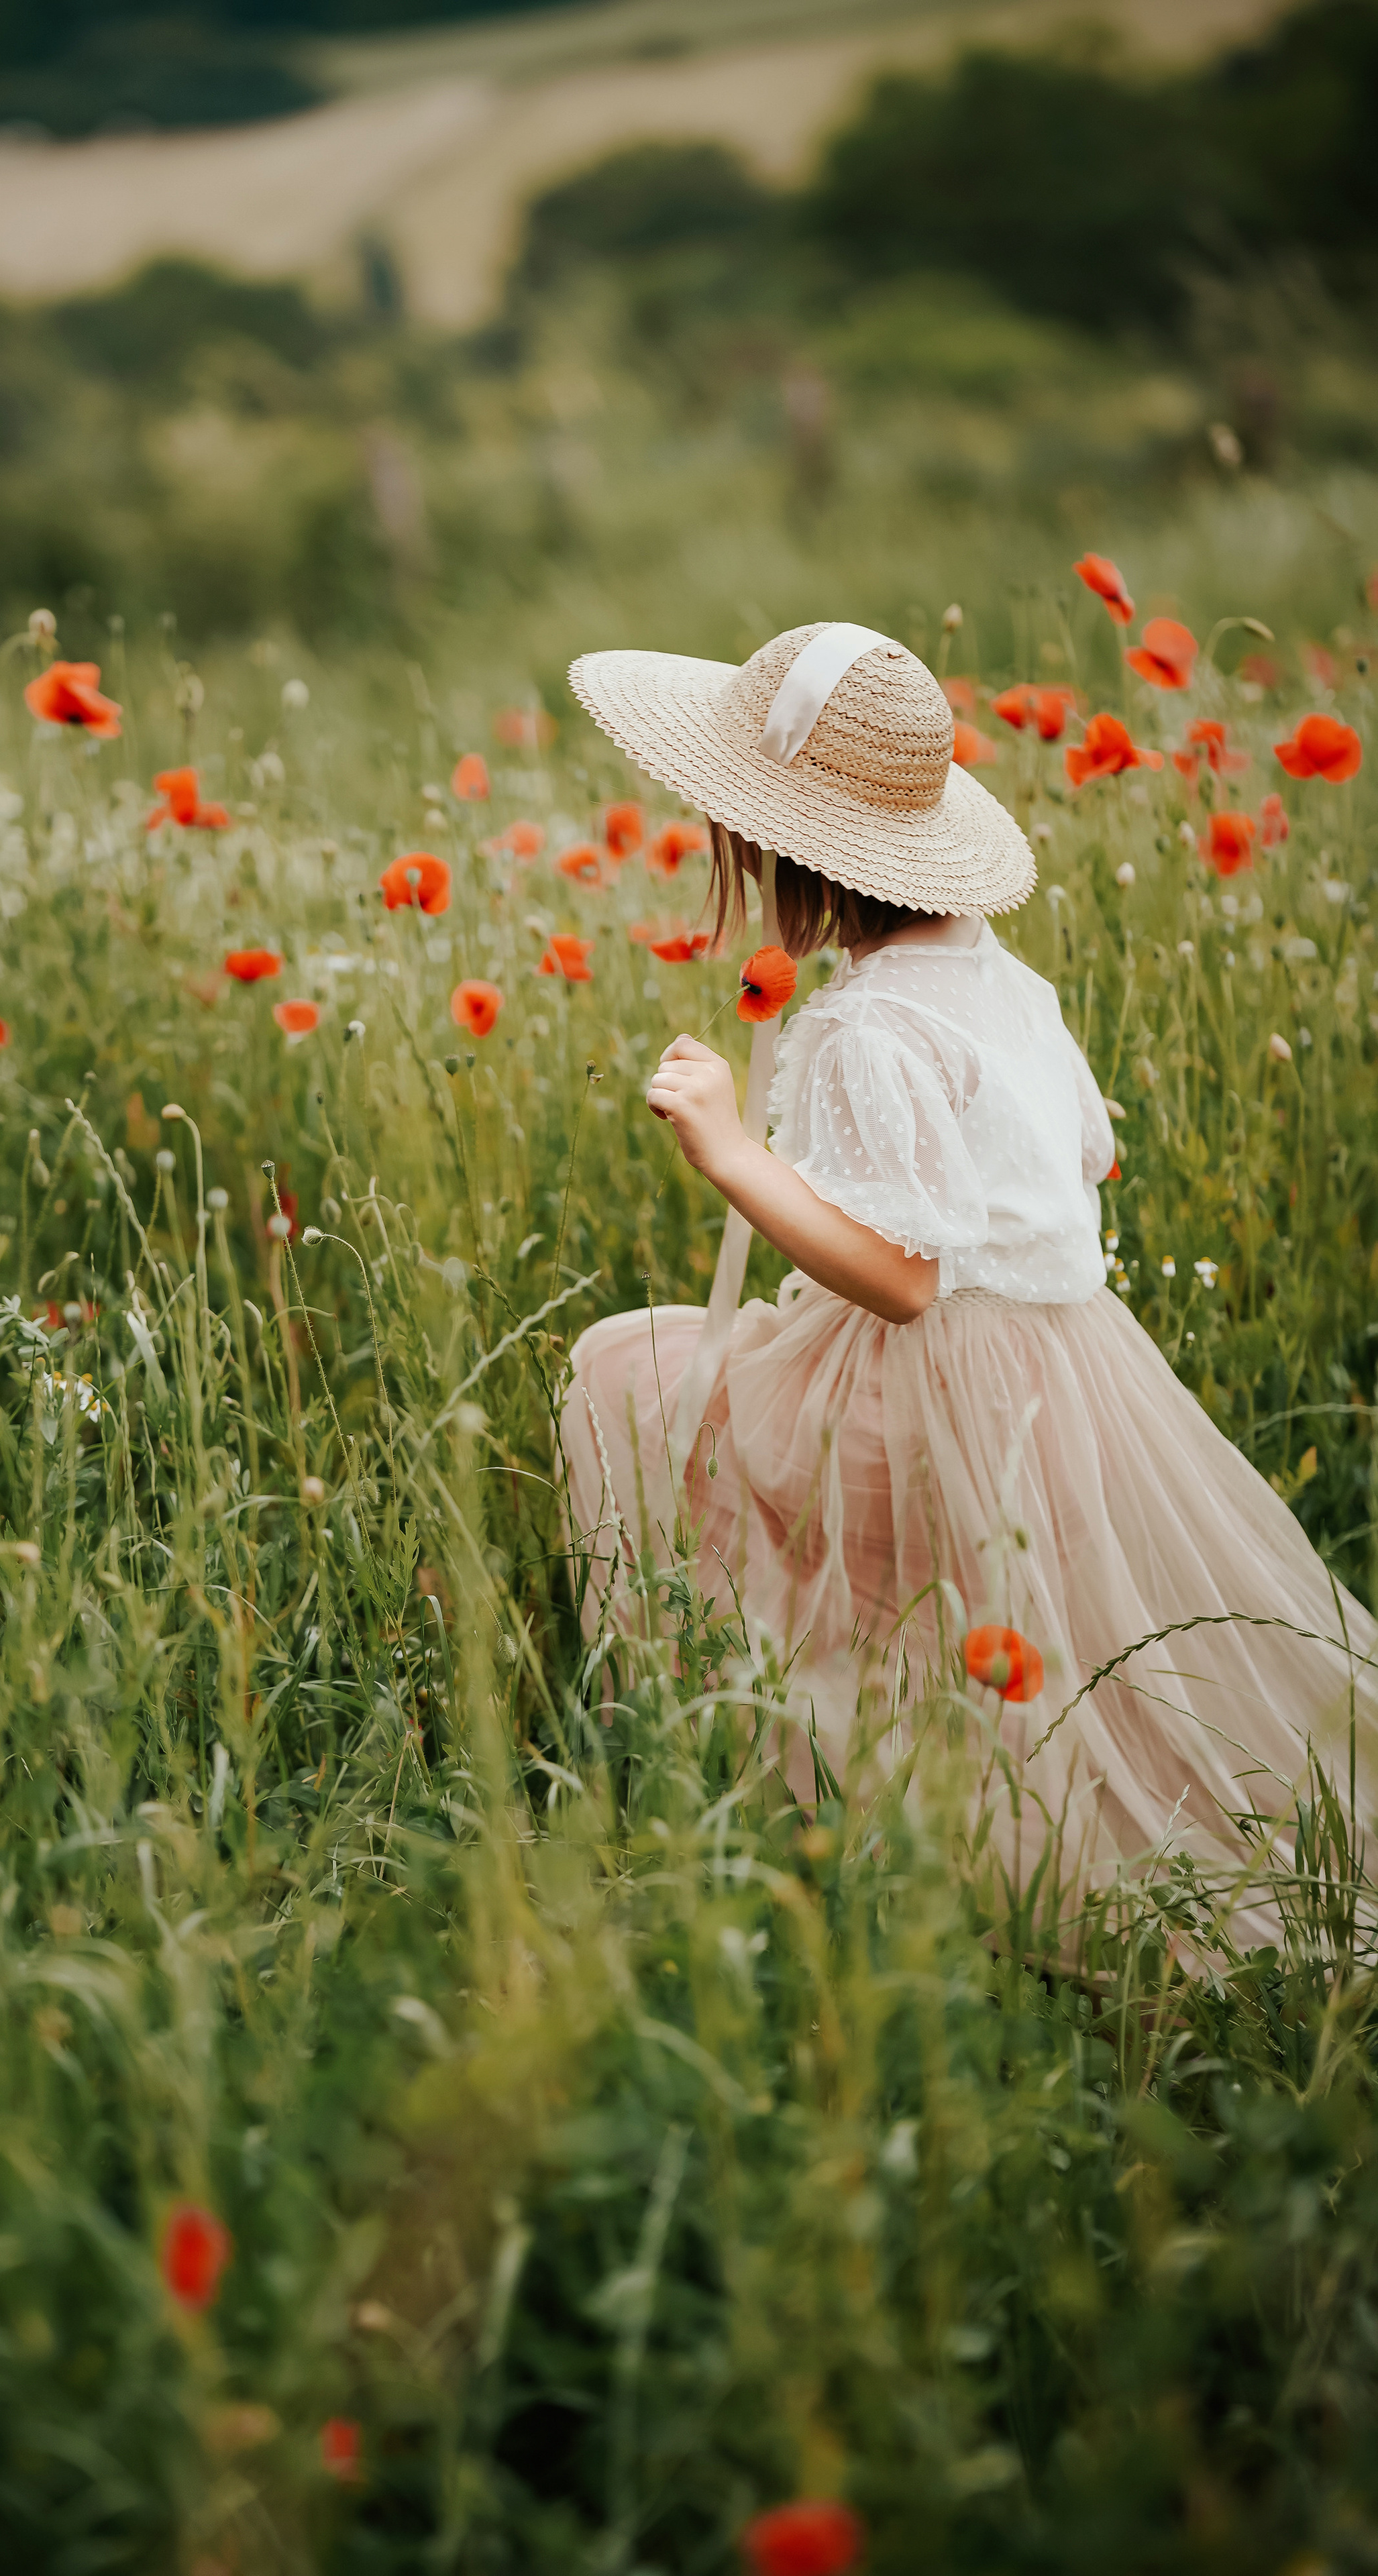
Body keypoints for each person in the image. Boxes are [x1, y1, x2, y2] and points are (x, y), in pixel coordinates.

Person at [559, 620, 1373, 1951]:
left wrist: (727, 1147)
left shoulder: (863, 1026)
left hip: (932, 1382)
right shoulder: (1009, 983)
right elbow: (1083, 1156)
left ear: (790, 854)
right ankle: (877, 1771)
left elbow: (898, 1277)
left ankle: (766, 1786)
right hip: (1069, 1381)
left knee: (623, 1386)